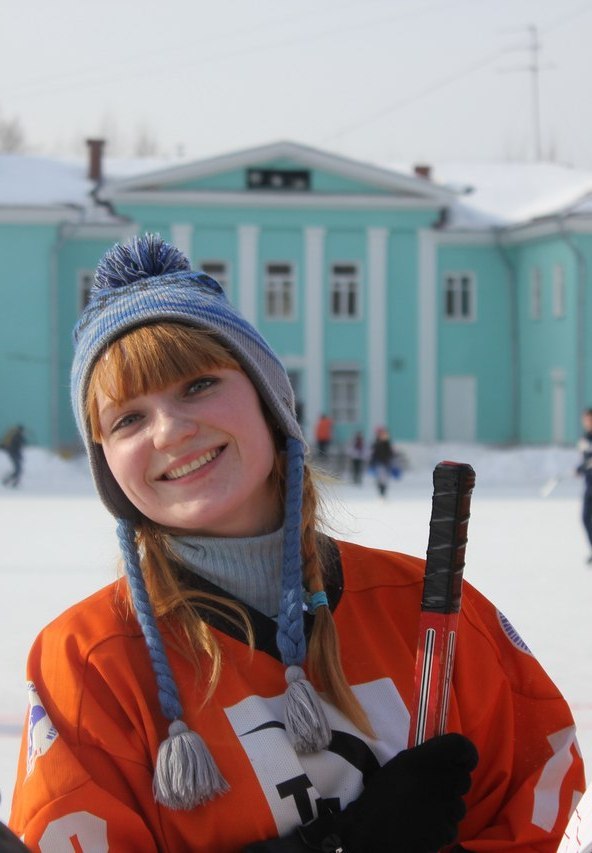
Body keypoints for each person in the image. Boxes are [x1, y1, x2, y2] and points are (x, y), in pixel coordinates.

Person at [9, 234, 584, 852]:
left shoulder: (424, 604)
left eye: (198, 385)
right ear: (107, 464)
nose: (170, 431)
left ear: (269, 403)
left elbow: (540, 805)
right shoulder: (89, 662)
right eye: (128, 419)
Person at [576, 408, 592, 563]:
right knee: (585, 518)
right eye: (586, 419)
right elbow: (585, 460)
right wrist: (579, 469)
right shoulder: (584, 439)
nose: (588, 422)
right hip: (589, 485)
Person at [369, 426, 396, 497]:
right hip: (379, 462)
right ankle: (381, 490)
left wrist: (391, 458)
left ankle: (383, 490)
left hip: (386, 462)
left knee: (385, 478)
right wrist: (372, 461)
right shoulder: (377, 443)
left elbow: (390, 452)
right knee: (380, 477)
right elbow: (374, 453)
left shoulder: (387, 443)